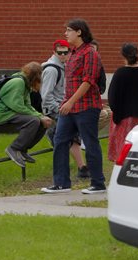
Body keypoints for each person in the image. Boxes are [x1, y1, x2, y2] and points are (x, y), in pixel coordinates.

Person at [41, 18, 106, 194]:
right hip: (68, 108)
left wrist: (70, 102)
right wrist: (66, 102)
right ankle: (61, 183)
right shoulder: (73, 54)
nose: (65, 33)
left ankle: (98, 183)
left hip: (86, 107)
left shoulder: (90, 53)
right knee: (60, 141)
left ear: (79, 32)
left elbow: (88, 81)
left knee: (91, 143)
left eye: (69, 30)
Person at [41, 39, 89, 178]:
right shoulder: (51, 69)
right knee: (65, 140)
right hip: (55, 111)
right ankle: (76, 170)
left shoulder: (65, 66)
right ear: (54, 52)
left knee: (69, 139)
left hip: (64, 108)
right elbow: (46, 95)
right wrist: (59, 109)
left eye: (65, 52)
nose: (62, 55)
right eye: (59, 53)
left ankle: (81, 168)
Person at [0, 62, 53, 167]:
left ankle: (23, 150)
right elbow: (17, 106)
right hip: (5, 113)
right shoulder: (18, 82)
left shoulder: (25, 84)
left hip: (13, 111)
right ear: (35, 76)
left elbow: (27, 104)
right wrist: (38, 116)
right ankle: (14, 148)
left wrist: (41, 116)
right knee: (34, 121)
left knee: (42, 122)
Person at [107, 43, 138, 162]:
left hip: (124, 117)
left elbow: (112, 97)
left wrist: (115, 112)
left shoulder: (120, 73)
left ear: (123, 56)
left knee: (123, 151)